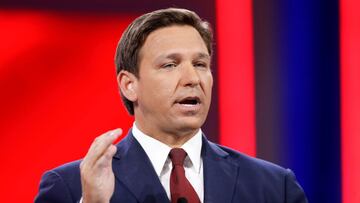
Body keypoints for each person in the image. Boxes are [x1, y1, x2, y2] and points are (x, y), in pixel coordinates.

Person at [35, 8, 308, 203]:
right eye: (170, 65)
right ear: (129, 85)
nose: (192, 79)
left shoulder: (273, 187)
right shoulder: (70, 187)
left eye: (201, 64)